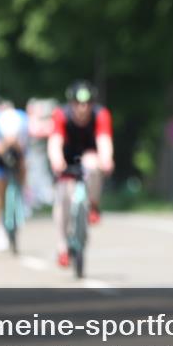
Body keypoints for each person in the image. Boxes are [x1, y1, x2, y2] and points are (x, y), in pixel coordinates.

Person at [48, 81, 114, 267]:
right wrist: (56, 161)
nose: (82, 108)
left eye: (87, 103)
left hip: (89, 155)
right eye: (78, 103)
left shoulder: (100, 115)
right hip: (67, 157)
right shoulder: (61, 115)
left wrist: (106, 159)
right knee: (62, 200)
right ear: (71, 103)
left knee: (93, 166)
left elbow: (104, 141)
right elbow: (55, 142)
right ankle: (62, 248)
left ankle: (93, 204)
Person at [0, 105, 30, 251]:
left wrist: (15, 143)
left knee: (24, 168)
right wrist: (6, 142)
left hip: (16, 157)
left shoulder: (22, 122)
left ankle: (23, 198)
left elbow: (23, 151)